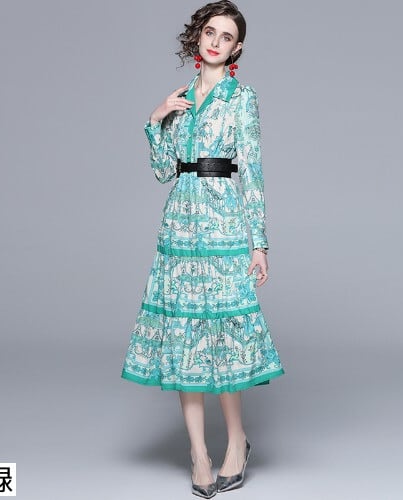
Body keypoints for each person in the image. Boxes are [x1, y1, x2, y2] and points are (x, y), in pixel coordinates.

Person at [121, 1, 285, 497]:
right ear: (198, 38)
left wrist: (259, 243)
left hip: (223, 220)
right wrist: (156, 118)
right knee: (183, 336)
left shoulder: (242, 97)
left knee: (224, 335)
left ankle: (236, 442)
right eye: (209, 32)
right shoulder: (181, 99)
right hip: (180, 222)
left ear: (237, 49)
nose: (215, 41)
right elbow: (163, 171)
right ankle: (199, 453)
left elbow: (251, 169)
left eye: (226, 36)